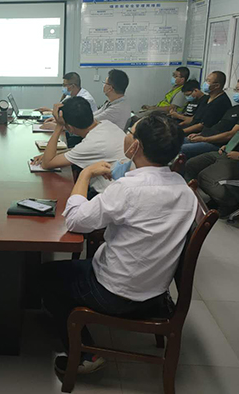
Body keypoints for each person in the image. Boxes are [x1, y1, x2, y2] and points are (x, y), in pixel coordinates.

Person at [42, 112, 196, 376]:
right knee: (71, 268)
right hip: (156, 292)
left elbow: (76, 221)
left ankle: (84, 355)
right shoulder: (183, 188)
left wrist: (85, 174)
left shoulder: (128, 189)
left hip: (117, 294)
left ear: (136, 146)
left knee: (47, 276)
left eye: (130, 132)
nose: (126, 135)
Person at [31, 97, 127, 195]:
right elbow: (80, 149)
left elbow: (47, 164)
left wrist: (58, 126)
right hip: (123, 189)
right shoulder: (106, 124)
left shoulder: (91, 143)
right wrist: (56, 154)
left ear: (69, 128)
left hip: (107, 196)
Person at [181, 76, 239, 160]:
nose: (235, 92)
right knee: (173, 142)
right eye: (235, 89)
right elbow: (219, 126)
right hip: (205, 137)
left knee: (180, 149)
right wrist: (200, 134)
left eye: (238, 89)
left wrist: (205, 139)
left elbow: (232, 134)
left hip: (215, 144)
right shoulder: (234, 108)